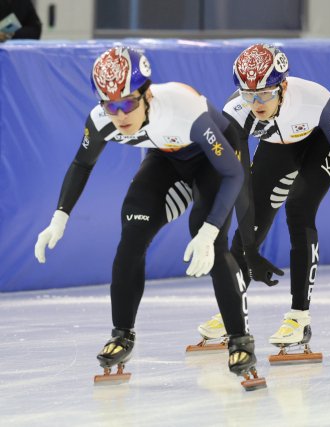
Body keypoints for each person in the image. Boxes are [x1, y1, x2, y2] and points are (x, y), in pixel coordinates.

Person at [34, 47, 275, 388]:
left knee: (210, 239)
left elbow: (234, 173)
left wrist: (208, 231)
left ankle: (240, 340)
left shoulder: (182, 109)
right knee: (132, 233)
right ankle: (122, 333)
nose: (120, 115)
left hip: (215, 159)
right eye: (110, 105)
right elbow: (81, 164)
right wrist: (59, 218)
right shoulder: (102, 119)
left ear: (147, 94)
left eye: (128, 103)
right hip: (167, 157)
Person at [195, 44, 330, 360]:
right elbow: (240, 186)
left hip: (320, 144)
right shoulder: (236, 113)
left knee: (299, 207)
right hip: (276, 146)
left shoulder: (316, 99)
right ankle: (232, 309)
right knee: (248, 224)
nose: (256, 103)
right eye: (248, 94)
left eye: (265, 93)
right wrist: (250, 250)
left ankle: (299, 318)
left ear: (282, 86)